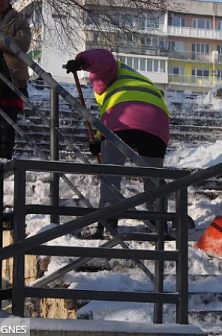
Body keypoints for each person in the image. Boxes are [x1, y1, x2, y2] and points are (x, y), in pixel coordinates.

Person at [65, 49, 170, 239]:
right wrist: (99, 140)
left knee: (110, 175)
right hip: (157, 120)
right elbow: (109, 112)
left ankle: (107, 224)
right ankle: (159, 223)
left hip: (124, 118)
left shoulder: (112, 70)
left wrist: (81, 61)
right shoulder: (135, 80)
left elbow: (104, 58)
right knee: (153, 178)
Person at [0, 0, 31, 160]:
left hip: (11, 78)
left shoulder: (19, 21)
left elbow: (22, 44)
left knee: (7, 126)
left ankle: (4, 158)